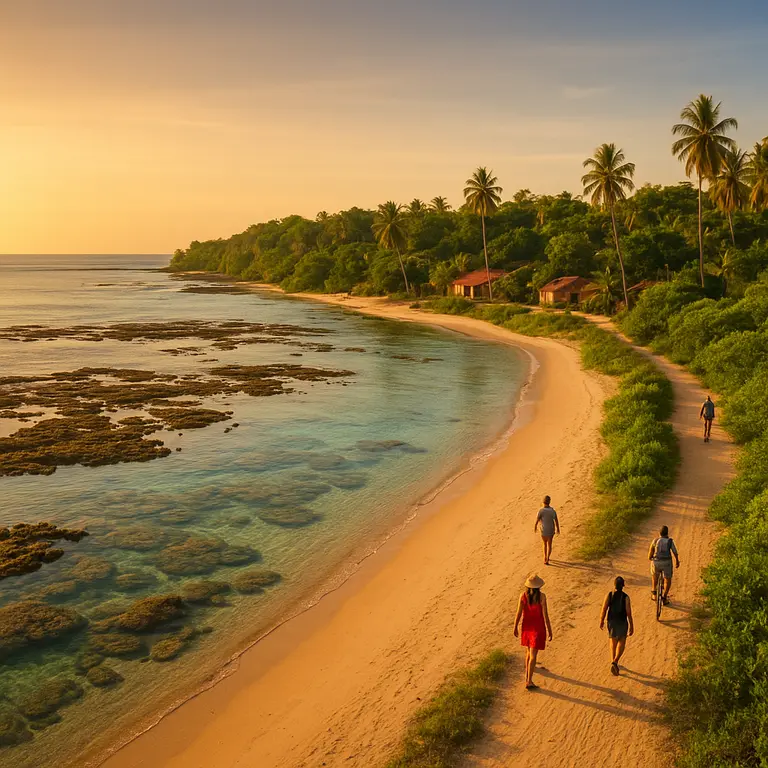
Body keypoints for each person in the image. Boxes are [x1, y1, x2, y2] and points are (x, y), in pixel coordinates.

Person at [513, 574, 553, 690]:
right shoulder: (542, 597)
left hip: (527, 627)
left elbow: (518, 613)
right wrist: (550, 630)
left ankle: (528, 674)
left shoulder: (523, 596)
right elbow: (546, 615)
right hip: (538, 628)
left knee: (528, 652)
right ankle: (529, 681)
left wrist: (515, 626)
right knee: (533, 655)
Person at [599, 576, 634, 676]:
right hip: (622, 621)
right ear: (623, 586)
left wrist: (601, 620)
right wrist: (631, 625)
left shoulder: (609, 595)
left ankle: (613, 661)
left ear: (614, 585)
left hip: (612, 621)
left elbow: (604, 609)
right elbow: (629, 613)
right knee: (621, 642)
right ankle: (615, 661)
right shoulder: (626, 597)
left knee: (612, 641)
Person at [648, 525, 680, 604]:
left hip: (656, 562)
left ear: (659, 533)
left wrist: (650, 558)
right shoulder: (670, 541)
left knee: (655, 576)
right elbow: (675, 552)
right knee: (667, 579)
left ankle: (654, 593)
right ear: (667, 533)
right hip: (667, 563)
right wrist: (677, 561)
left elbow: (651, 552)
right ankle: (664, 597)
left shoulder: (655, 540)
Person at [534, 495, 560, 565]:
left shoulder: (541, 511)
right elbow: (556, 520)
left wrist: (535, 527)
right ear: (549, 502)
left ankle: (545, 557)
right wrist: (558, 529)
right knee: (549, 545)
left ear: (543, 502)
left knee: (544, 544)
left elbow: (537, 520)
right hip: (551, 530)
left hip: (543, 530)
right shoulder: (552, 511)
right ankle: (548, 558)